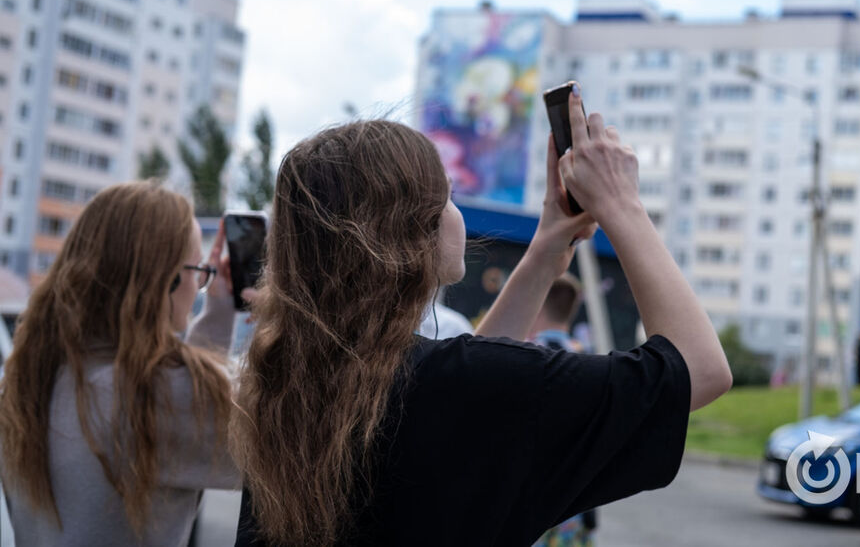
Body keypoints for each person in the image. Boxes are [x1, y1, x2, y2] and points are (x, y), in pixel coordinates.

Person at [231, 88, 732, 546]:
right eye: (446, 196)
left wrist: (545, 249)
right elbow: (699, 369)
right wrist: (622, 205)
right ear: (411, 232)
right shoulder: (465, 386)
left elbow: (461, 401)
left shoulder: (286, 383)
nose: (456, 211)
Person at [0, 182, 241, 546]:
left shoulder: (31, 378)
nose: (197, 286)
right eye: (195, 270)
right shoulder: (151, 397)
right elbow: (290, 449)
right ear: (164, 281)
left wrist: (219, 310)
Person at [529, 273, 597, 547]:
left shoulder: (520, 355)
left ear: (539, 303)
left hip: (526, 496)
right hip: (571, 504)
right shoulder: (591, 362)